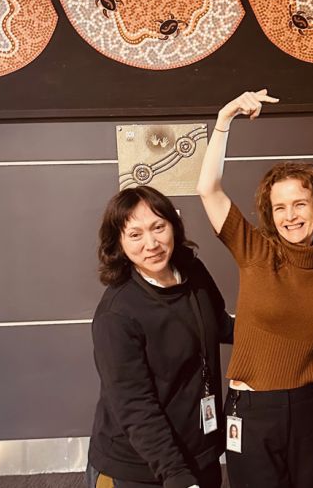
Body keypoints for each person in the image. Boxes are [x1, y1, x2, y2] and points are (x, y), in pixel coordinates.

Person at [196, 88, 313, 488]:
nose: (290, 216)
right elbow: (208, 190)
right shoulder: (256, 250)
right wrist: (224, 119)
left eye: (299, 204)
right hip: (251, 408)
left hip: (309, 405)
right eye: (280, 207)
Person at [86, 186, 233, 488]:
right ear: (119, 243)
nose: (151, 243)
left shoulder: (193, 271)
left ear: (173, 227)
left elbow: (220, 325)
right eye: (136, 234)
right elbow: (135, 406)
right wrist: (176, 475)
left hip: (200, 454)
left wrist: (284, 333)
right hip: (140, 468)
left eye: (158, 227)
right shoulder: (117, 313)